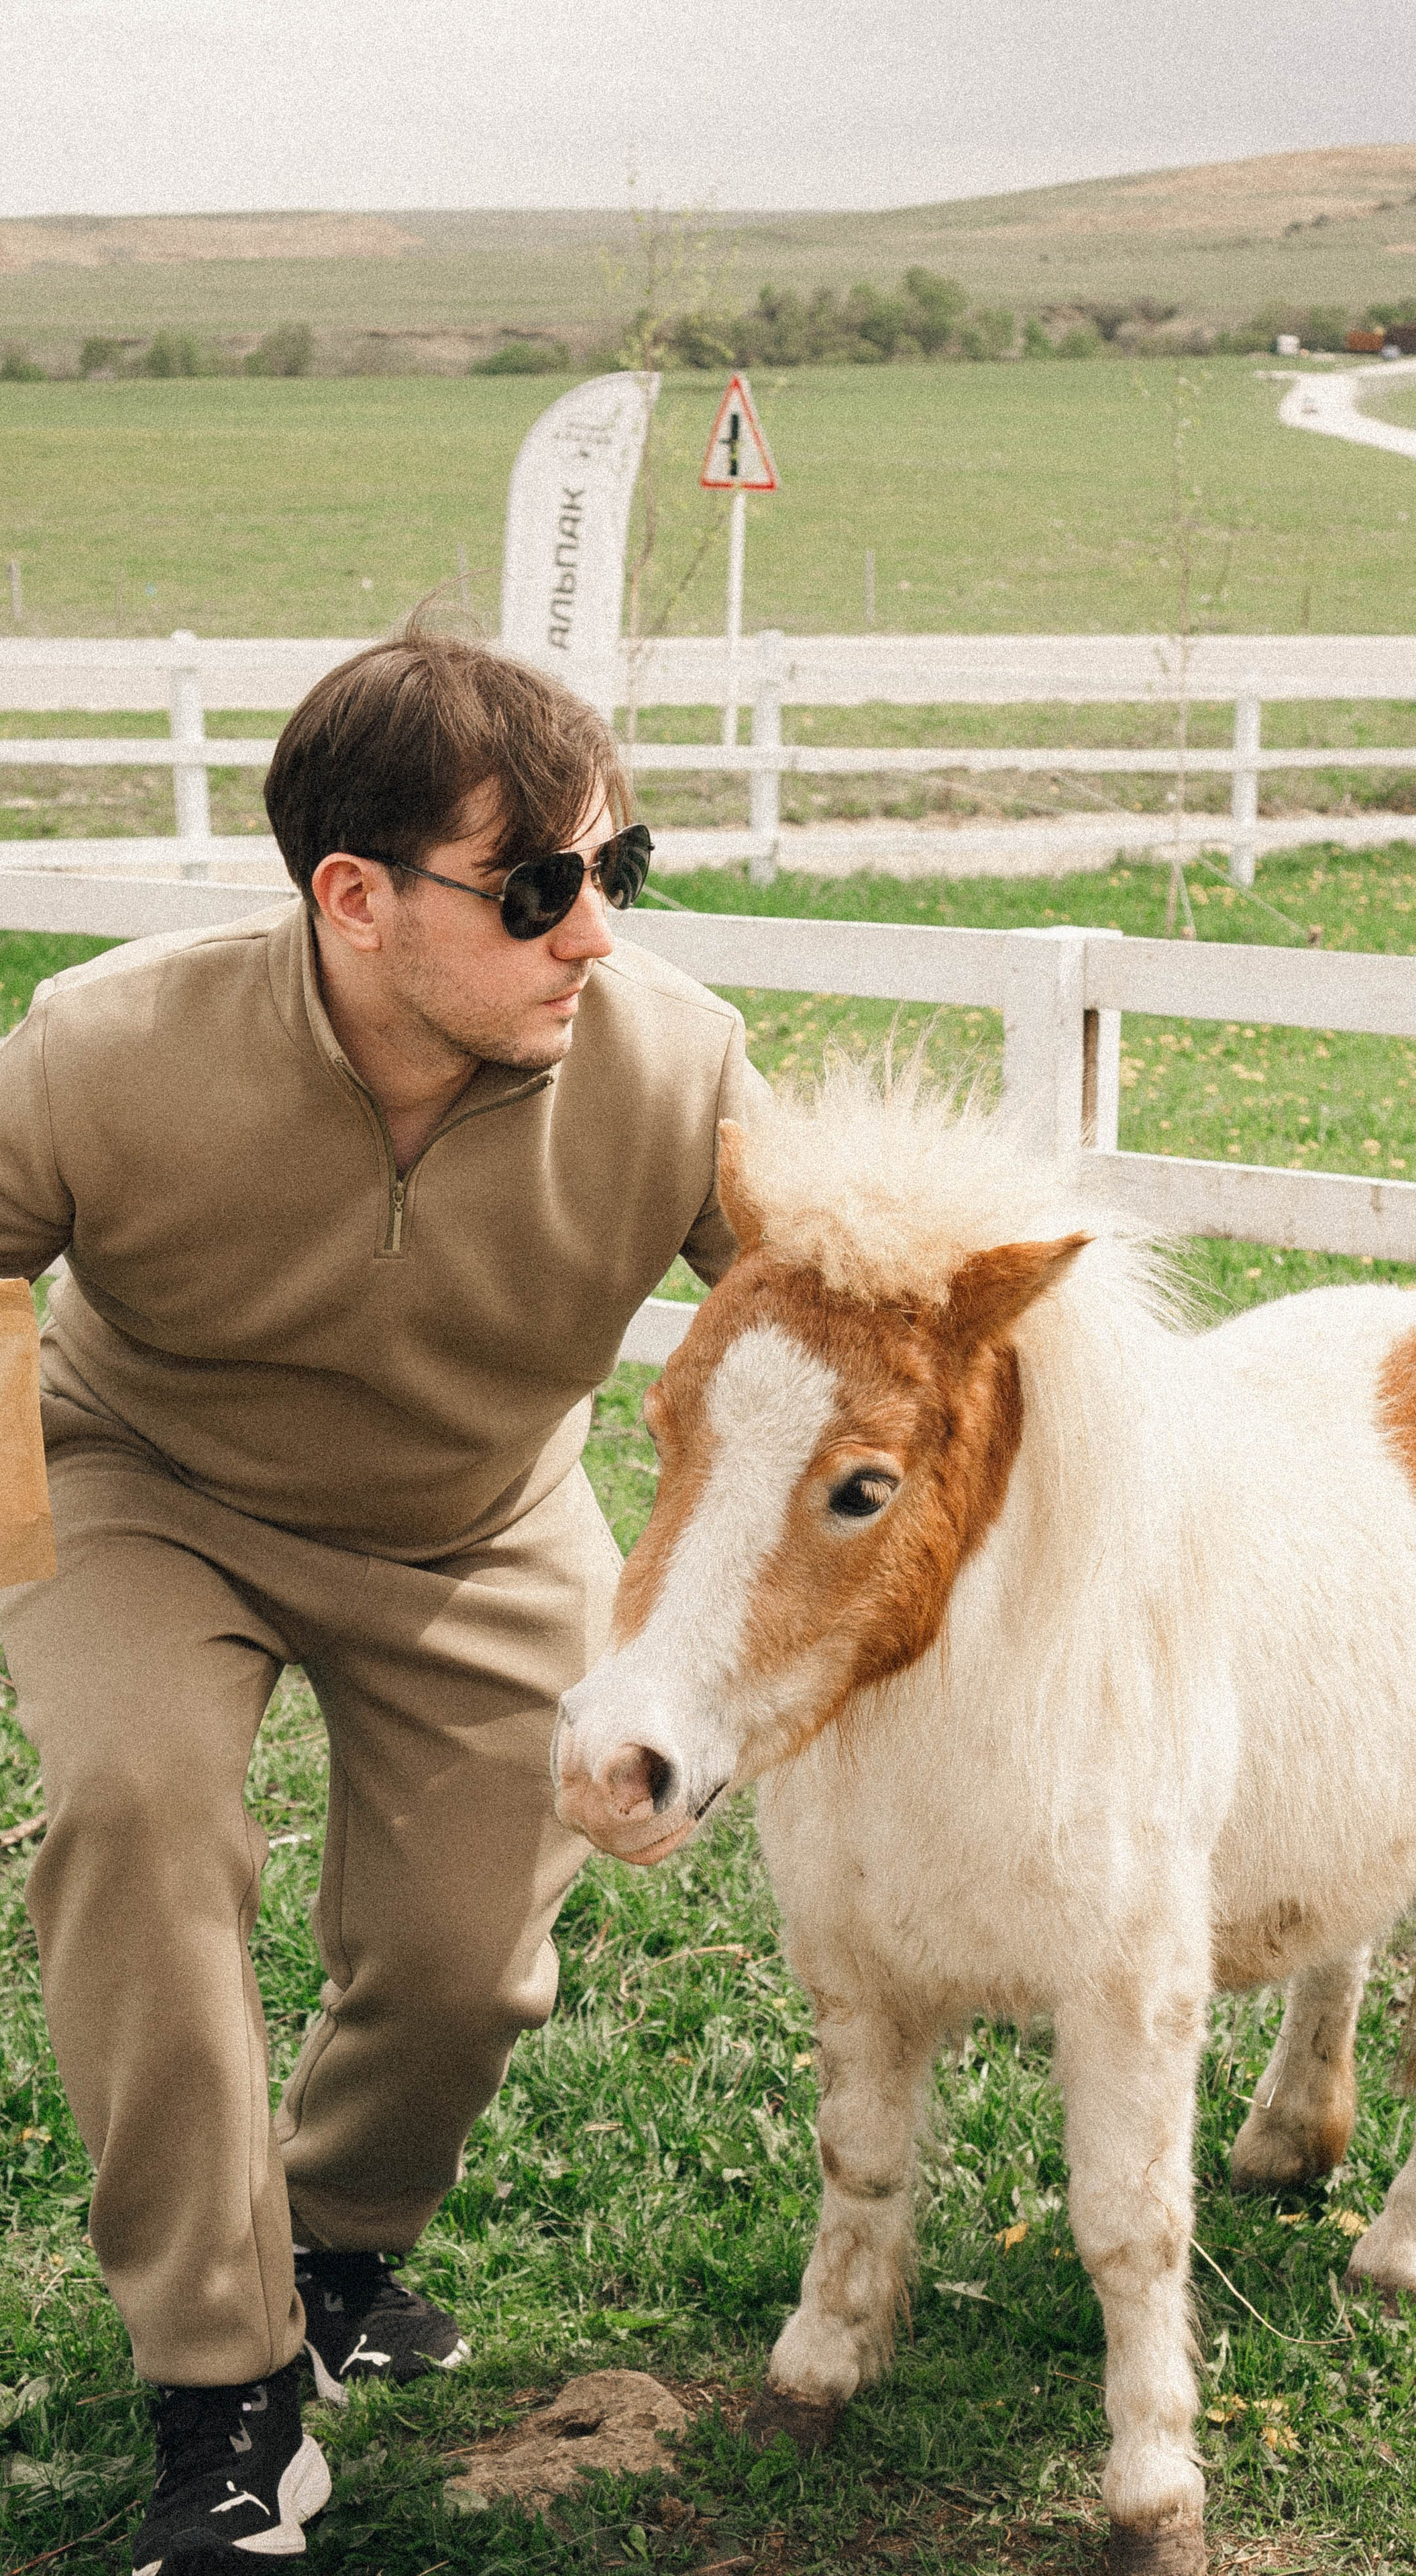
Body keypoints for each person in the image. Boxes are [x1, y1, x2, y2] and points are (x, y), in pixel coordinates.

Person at [0, 625, 765, 2573]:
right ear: (353, 898)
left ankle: (329, 2256)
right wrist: (22, 1567)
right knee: (137, 1811)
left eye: (622, 869)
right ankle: (225, 2387)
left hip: (487, 1522)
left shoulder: (676, 1064)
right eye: (537, 889)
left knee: (459, 1967)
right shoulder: (102, 1044)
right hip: (150, 1490)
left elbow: (828, 1325)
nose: (595, 934)